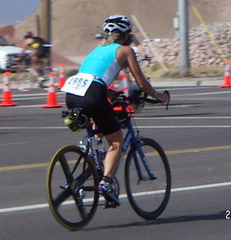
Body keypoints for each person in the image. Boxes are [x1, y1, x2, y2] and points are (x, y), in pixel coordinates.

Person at [63, 14, 169, 206]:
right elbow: (142, 82)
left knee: (99, 132)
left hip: (72, 92)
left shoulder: (97, 49)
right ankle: (106, 183)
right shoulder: (125, 50)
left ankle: (91, 165)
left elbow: (94, 76)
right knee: (117, 139)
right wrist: (159, 96)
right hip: (93, 93)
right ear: (126, 35)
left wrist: (110, 94)